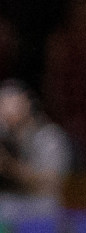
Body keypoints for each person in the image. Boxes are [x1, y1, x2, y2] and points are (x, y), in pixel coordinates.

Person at [0, 79, 72, 219]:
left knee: (6, 208)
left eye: (12, 103)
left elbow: (51, 181)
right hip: (12, 205)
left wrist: (9, 167)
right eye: (2, 105)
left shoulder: (49, 136)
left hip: (42, 209)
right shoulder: (5, 138)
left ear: (27, 103)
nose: (6, 111)